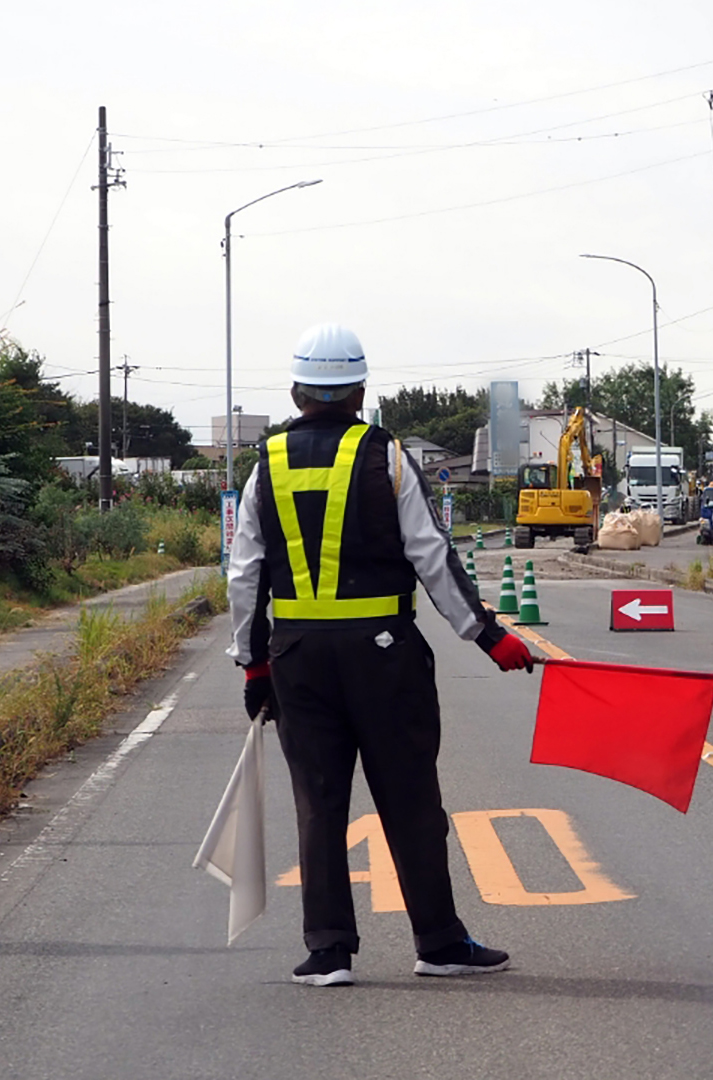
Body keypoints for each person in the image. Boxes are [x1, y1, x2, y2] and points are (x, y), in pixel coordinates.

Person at [225, 323, 537, 988]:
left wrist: (253, 666)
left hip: (299, 657)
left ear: (296, 390)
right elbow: (430, 553)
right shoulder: (387, 456)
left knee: (318, 801)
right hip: (384, 654)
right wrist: (487, 635)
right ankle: (438, 942)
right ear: (359, 392)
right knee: (409, 799)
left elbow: (244, 573)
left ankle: (328, 951)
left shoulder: (266, 464)